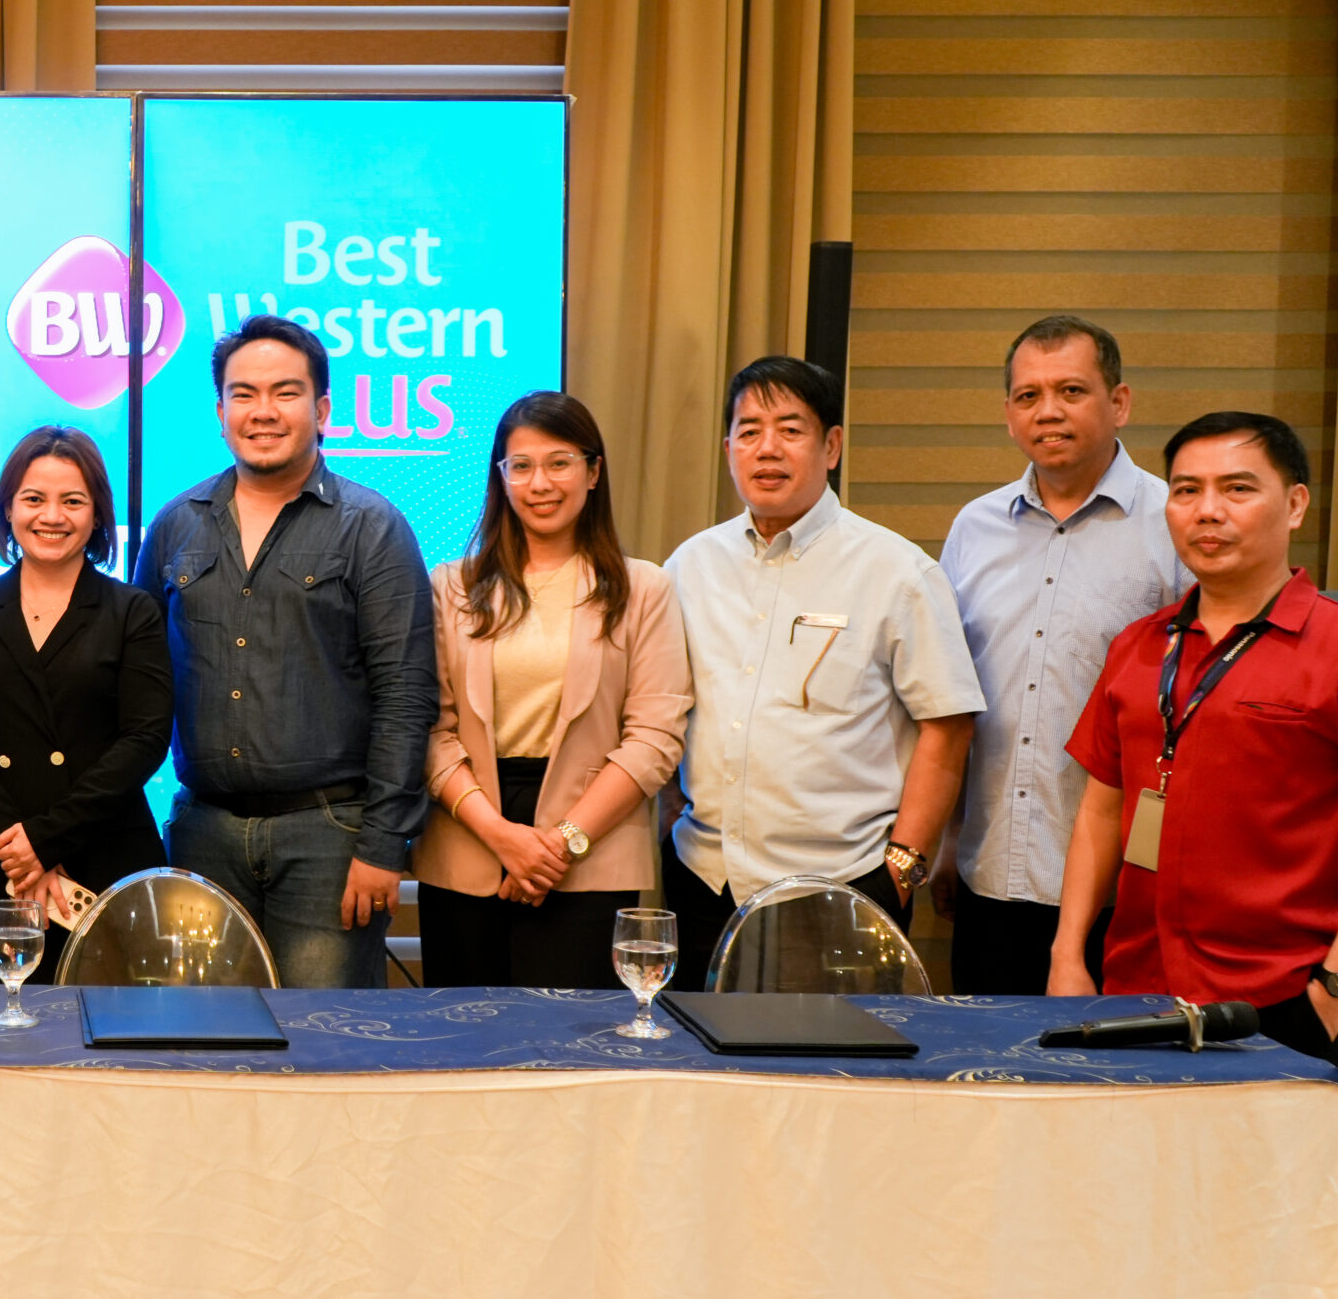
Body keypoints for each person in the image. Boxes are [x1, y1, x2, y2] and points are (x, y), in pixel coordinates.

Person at [1051, 413, 1338, 1059]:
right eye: (1185, 490)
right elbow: (1100, 808)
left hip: (1278, 998)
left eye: (1237, 489)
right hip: (1131, 984)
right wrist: (1067, 954)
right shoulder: (1138, 647)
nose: (1207, 512)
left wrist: (1335, 988)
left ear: (1294, 506)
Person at [133, 314, 437, 989]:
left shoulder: (372, 528)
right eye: (243, 394)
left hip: (329, 839)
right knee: (200, 1046)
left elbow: (407, 696)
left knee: (323, 1053)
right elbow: (136, 683)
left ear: (323, 408)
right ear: (220, 411)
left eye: (285, 392)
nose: (262, 411)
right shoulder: (176, 524)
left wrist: (385, 845)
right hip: (203, 834)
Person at [663, 355, 984, 981]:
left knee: (826, 1074)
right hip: (704, 881)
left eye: (790, 429)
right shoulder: (690, 565)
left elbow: (948, 726)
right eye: (749, 431)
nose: (767, 449)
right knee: (702, 1070)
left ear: (831, 445)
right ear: (728, 447)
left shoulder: (896, 570)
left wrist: (904, 867)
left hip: (841, 889)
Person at [938, 317, 1185, 993]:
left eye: (1072, 390)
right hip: (988, 872)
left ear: (1120, 402)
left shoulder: (1176, 523)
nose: (1048, 411)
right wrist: (944, 838)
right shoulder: (974, 529)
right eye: (1028, 396)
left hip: (1127, 890)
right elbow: (952, 695)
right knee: (990, 1080)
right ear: (1009, 414)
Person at [416, 393, 691, 988]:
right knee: (465, 1048)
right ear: (501, 478)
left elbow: (654, 739)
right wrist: (502, 837)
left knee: (576, 1053)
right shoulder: (450, 586)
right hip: (470, 843)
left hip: (592, 852)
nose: (540, 482)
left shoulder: (644, 588)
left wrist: (559, 845)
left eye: (559, 462)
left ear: (593, 473)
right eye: (521, 466)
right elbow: (430, 730)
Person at [0, 426, 173, 982]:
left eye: (72, 501)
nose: (52, 516)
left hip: (108, 855)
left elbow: (145, 738)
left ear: (96, 515)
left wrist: (46, 838)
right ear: (8, 510)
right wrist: (19, 845)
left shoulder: (131, 611)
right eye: (34, 499)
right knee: (7, 1039)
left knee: (117, 1041)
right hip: (1, 859)